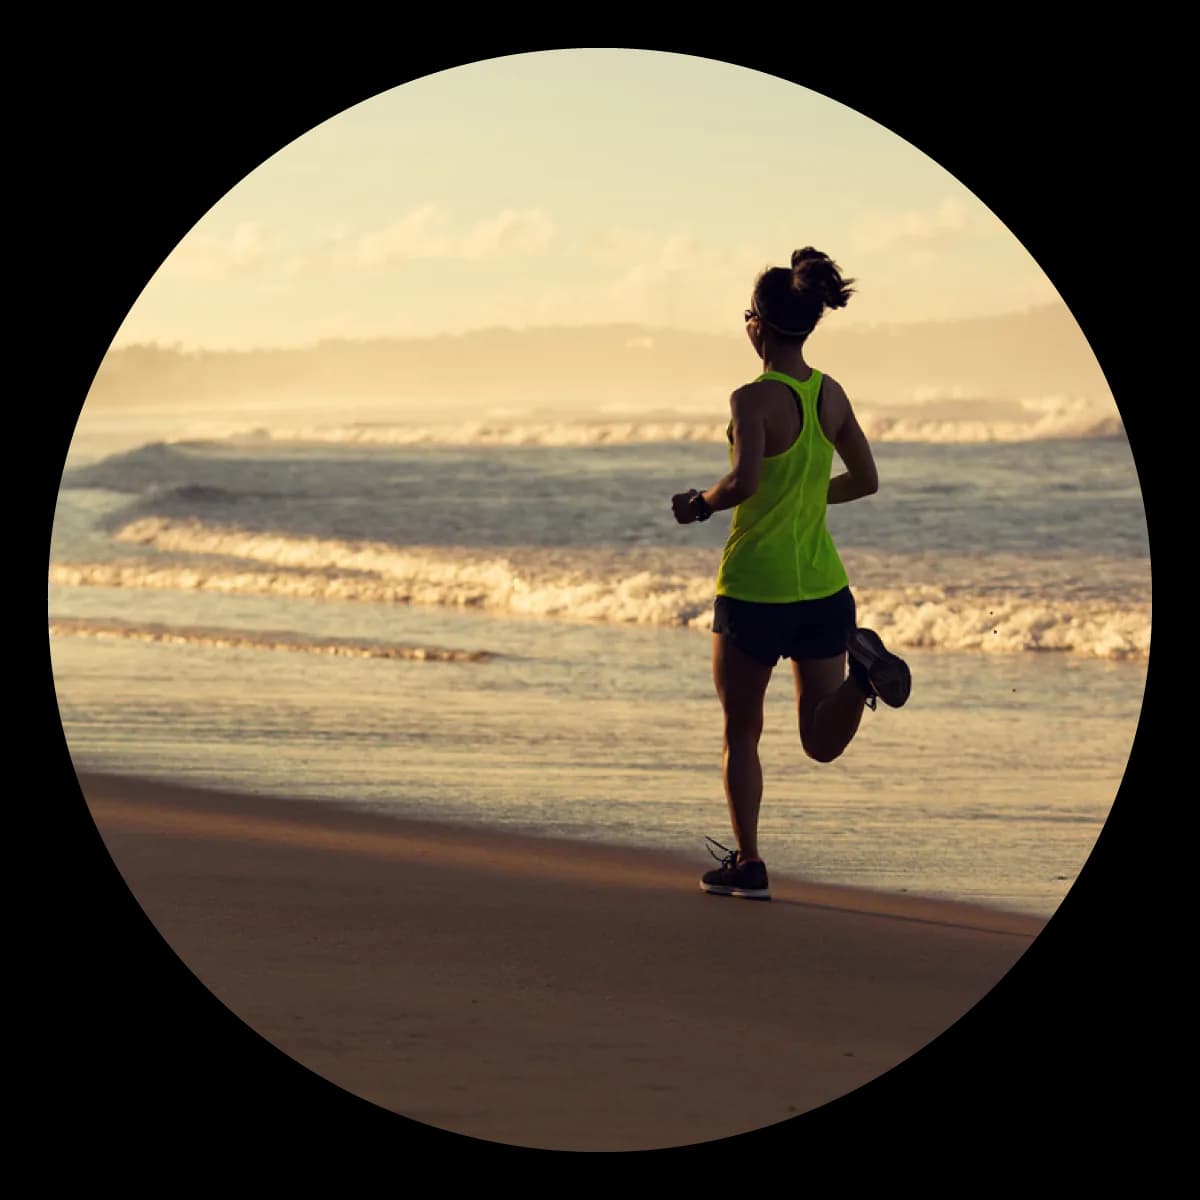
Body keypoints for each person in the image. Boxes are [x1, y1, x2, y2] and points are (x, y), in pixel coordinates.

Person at [671, 248, 911, 902]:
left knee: (741, 730)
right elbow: (867, 480)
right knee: (818, 738)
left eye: (748, 315)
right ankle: (863, 677)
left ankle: (749, 863)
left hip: (754, 588)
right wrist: (806, 498)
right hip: (824, 591)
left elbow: (745, 480)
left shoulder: (752, 398)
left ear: (760, 327)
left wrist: (699, 506)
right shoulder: (830, 393)